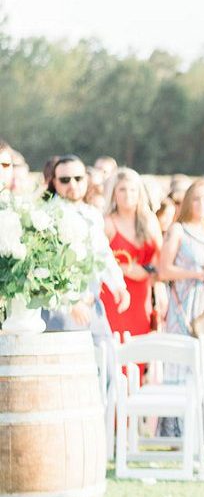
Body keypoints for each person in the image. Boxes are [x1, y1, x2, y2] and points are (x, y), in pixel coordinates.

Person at [41, 155, 130, 378]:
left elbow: (103, 254)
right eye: (65, 180)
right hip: (61, 309)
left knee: (107, 369)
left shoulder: (92, 214)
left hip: (93, 304)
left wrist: (118, 285)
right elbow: (45, 267)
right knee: (69, 377)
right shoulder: (46, 216)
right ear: (54, 182)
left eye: (78, 178)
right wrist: (70, 300)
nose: (73, 184)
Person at [157, 179, 204, 441]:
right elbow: (163, 270)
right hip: (184, 306)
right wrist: (196, 274)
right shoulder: (178, 230)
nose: (202, 205)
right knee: (180, 364)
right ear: (189, 201)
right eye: (197, 199)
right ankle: (175, 432)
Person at [100, 169, 163, 355]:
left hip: (142, 293)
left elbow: (159, 259)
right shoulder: (107, 223)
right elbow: (100, 260)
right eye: (122, 189)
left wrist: (148, 275)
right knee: (117, 348)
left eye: (133, 190)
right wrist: (125, 268)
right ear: (114, 193)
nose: (128, 195)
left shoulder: (149, 221)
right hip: (116, 295)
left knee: (140, 349)